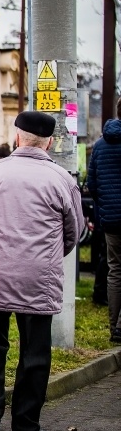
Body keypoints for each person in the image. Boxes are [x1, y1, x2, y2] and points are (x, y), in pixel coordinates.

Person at [0, 111, 82, 431]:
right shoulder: (62, 179)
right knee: (35, 350)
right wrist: (47, 256)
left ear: (17, 137)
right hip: (39, 276)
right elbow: (73, 232)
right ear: (49, 143)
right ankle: (26, 425)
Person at [87, 111, 121, 343]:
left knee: (115, 270)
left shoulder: (100, 145)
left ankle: (114, 328)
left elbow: (92, 183)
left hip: (111, 218)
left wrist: (106, 206)